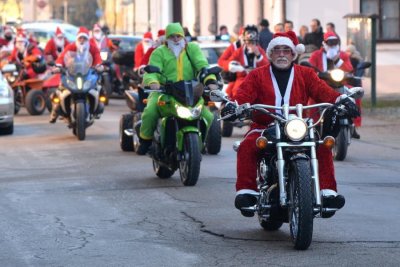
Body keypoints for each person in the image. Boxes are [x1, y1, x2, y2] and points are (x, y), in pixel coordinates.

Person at [221, 31, 359, 218]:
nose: (282, 54)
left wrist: (342, 99)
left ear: (294, 54)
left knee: (321, 145)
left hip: (298, 126)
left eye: (286, 50)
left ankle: (327, 194)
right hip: (265, 126)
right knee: (247, 145)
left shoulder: (306, 74)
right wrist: (233, 106)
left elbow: (323, 91)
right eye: (277, 50)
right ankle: (247, 193)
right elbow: (243, 95)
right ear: (270, 54)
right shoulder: (257, 75)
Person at [137, 22, 219, 155]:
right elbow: (151, 71)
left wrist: (210, 81)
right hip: (164, 92)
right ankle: (145, 142)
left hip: (189, 93)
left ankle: (200, 143)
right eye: (172, 36)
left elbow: (202, 66)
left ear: (184, 37)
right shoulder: (159, 52)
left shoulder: (192, 49)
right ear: (166, 39)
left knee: (208, 117)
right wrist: (153, 82)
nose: (175, 39)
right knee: (150, 112)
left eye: (178, 36)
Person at [49, 27, 104, 123]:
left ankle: (97, 106)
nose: (82, 40)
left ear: (87, 39)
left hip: (87, 73)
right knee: (60, 90)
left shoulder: (93, 47)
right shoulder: (71, 46)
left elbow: (97, 57)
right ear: (77, 39)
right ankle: (55, 110)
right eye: (80, 38)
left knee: (98, 88)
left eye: (84, 38)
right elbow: (62, 57)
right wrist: (58, 66)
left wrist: (99, 66)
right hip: (72, 73)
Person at [220, 25, 268, 99]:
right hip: (242, 82)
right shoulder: (238, 50)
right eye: (249, 42)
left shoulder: (260, 50)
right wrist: (235, 67)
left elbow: (267, 66)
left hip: (258, 83)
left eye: (253, 42)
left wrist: (258, 55)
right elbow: (224, 62)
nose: (251, 44)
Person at [218, 26, 244, 98]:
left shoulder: (256, 48)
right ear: (240, 37)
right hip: (236, 81)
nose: (246, 42)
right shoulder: (234, 47)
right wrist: (230, 65)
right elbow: (221, 61)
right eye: (244, 39)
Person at [345, 44, 364, 138]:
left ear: (352, 52)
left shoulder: (354, 60)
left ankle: (353, 128)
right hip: (348, 84)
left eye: (348, 51)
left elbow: (356, 73)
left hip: (353, 85)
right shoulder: (345, 59)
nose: (347, 53)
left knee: (355, 107)